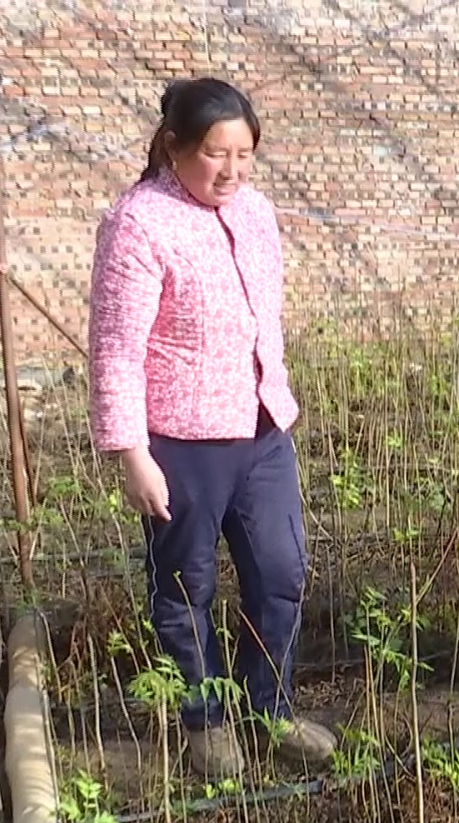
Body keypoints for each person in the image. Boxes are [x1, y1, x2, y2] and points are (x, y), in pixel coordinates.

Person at [87, 77, 336, 778]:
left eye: (244, 155)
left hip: (261, 428)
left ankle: (269, 708)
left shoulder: (255, 212)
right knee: (185, 585)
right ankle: (206, 719)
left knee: (281, 570)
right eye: (214, 154)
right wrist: (132, 452)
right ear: (174, 147)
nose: (231, 171)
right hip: (181, 441)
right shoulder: (138, 223)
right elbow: (115, 348)